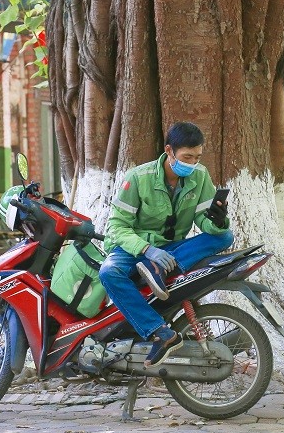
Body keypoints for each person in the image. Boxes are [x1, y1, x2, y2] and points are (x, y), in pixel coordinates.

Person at [99, 122, 233, 367]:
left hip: (171, 250)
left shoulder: (200, 175)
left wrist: (218, 220)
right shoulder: (138, 178)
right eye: (186, 157)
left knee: (226, 236)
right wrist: (147, 250)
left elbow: (204, 222)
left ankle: (160, 269)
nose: (192, 163)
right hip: (134, 249)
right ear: (169, 150)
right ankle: (160, 332)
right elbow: (117, 227)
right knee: (109, 272)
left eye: (197, 157)